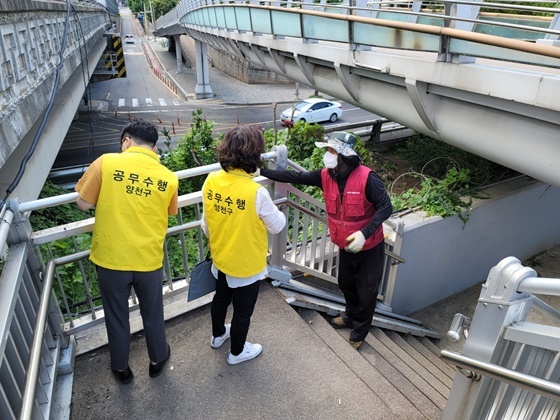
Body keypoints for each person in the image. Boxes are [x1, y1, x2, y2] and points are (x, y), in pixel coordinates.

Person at [260, 131, 392, 350]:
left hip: (368, 247)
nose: (328, 155)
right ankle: (349, 317)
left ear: (343, 155)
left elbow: (386, 207)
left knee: (366, 291)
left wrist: (364, 233)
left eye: (332, 150)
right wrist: (260, 170)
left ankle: (359, 331)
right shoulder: (326, 175)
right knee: (346, 284)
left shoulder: (368, 178)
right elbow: (296, 177)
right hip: (346, 246)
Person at [75, 118, 178, 384]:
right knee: (153, 313)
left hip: (111, 259)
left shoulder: (106, 163)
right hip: (148, 260)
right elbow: (169, 211)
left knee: (116, 316)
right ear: (154, 148)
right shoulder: (168, 177)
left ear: (126, 141)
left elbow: (84, 203)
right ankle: (157, 360)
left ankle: (121, 368)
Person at [201, 125, 286, 365]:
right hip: (246, 263)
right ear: (254, 155)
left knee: (220, 299)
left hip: (221, 257)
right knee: (242, 311)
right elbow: (277, 226)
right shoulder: (256, 192)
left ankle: (218, 335)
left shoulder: (212, 180)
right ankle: (237, 352)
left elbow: (206, 223)